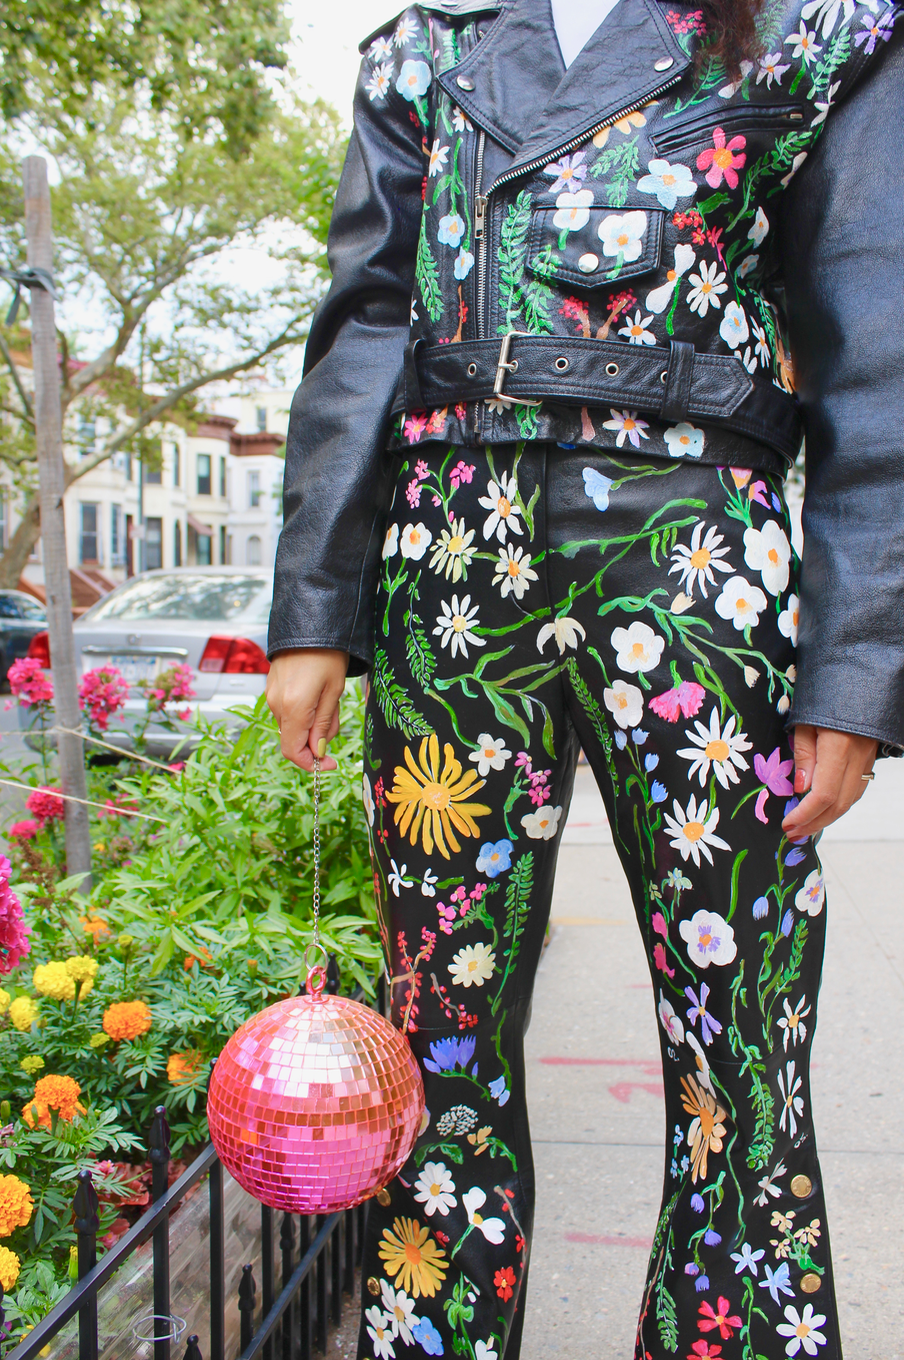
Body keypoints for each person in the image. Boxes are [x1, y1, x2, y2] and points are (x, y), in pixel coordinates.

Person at [266, 0, 904, 1355]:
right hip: (451, 564)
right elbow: (366, 325)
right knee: (440, 1039)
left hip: (696, 559)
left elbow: (881, 351)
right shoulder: (427, 48)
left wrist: (853, 666)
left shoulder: (813, 33)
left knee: (745, 1040)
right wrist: (312, 604)